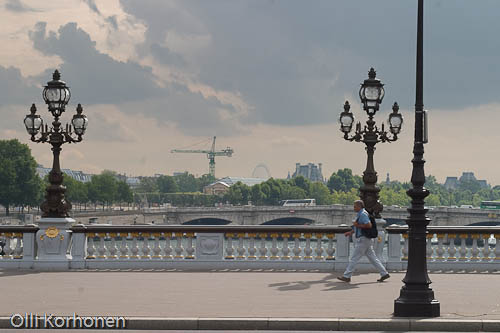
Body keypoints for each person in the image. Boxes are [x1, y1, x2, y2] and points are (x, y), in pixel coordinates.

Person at [337, 200, 390, 283]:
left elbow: (368, 225)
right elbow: (359, 227)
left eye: (355, 206)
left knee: (354, 258)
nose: (354, 208)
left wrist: (357, 225)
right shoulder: (362, 213)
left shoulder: (362, 214)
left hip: (363, 239)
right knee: (373, 258)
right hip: (366, 239)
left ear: (359, 206)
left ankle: (346, 276)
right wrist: (350, 232)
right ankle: (384, 273)